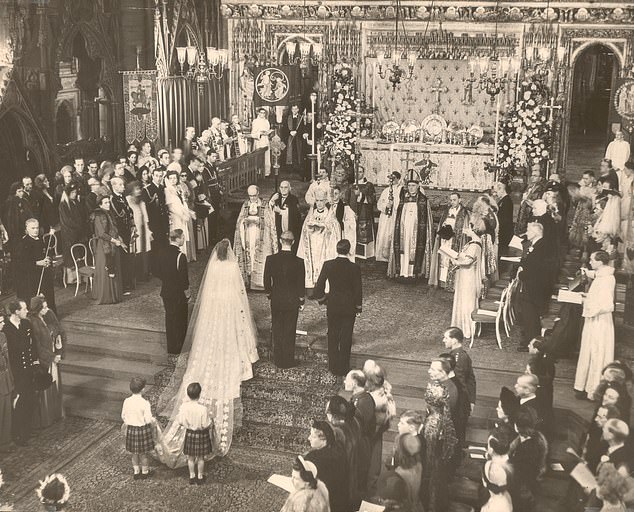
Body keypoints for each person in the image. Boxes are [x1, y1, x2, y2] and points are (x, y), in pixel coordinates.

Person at [156, 239, 259, 468]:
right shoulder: (232, 267)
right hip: (228, 304)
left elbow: (208, 291)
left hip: (214, 305)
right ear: (229, 252)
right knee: (229, 335)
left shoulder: (213, 266)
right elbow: (238, 291)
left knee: (211, 335)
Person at [313, 239, 362, 377]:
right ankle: (344, 368)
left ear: (337, 249)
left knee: (333, 335)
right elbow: (358, 290)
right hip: (349, 307)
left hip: (333, 305)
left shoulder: (328, 265)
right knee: (346, 336)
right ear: (349, 250)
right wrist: (358, 307)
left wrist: (323, 300)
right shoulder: (355, 268)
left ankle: (333, 366)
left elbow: (319, 287)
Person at [574, 250, 616, 400]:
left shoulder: (607, 279)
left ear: (600, 261)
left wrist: (587, 302)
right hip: (594, 320)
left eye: (592, 260)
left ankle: (594, 389)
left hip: (600, 321)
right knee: (589, 351)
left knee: (597, 353)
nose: (590, 262)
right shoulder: (602, 275)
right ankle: (585, 386)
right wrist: (587, 297)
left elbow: (606, 304)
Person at [264, 231, 305, 369]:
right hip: (292, 300)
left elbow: (266, 281)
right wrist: (301, 300)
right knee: (289, 329)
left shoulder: (270, 259)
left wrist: (270, 294)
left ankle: (278, 360)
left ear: (281, 241)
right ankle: (288, 361)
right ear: (293, 243)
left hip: (276, 299)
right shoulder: (299, 262)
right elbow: (301, 284)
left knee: (277, 328)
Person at [516, 222, 555, 352]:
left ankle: (531, 342)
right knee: (529, 313)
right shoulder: (538, 244)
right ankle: (529, 339)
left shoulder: (541, 246)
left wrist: (522, 274)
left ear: (536, 232)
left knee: (530, 314)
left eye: (528, 230)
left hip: (535, 286)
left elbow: (535, 268)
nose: (526, 233)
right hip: (533, 284)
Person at [421, 375, 458, 512]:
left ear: (430, 403)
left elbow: (429, 452)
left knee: (432, 491)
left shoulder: (433, 422)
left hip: (432, 465)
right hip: (440, 461)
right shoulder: (443, 415)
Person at [387, 171, 433, 279]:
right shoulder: (403, 199)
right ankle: (402, 271)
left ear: (418, 186)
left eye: (413, 186)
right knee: (403, 248)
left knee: (413, 248)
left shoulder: (423, 201)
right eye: (409, 186)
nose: (411, 188)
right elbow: (398, 216)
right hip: (404, 230)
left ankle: (413, 272)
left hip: (416, 232)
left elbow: (428, 221)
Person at [4, 300, 38, 446]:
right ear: (16, 311)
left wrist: (35, 362)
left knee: (30, 400)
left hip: (29, 370)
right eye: (24, 309)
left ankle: (27, 429)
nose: (26, 311)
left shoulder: (26, 324)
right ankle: (18, 434)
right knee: (19, 403)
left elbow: (33, 344)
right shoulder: (6, 329)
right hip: (17, 372)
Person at [28, 295, 63, 428]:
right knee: (46, 386)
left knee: (55, 384)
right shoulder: (33, 322)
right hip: (45, 360)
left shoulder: (45, 317)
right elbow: (37, 346)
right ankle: (46, 417)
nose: (47, 309)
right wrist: (51, 356)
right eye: (44, 307)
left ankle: (55, 413)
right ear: (37, 309)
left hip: (52, 355)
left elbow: (54, 329)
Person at [234, 184, 278, 290]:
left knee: (260, 256)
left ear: (258, 193)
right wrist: (244, 221)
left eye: (254, 195)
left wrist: (260, 221)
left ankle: (260, 283)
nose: (252, 198)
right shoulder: (245, 205)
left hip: (261, 235)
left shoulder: (265, 204)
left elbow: (270, 221)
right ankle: (248, 281)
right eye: (250, 196)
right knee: (250, 256)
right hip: (248, 234)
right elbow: (239, 221)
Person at [296, 190, 341, 288]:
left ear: (325, 201)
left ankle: (323, 288)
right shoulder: (311, 214)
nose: (319, 203)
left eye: (321, 200)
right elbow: (305, 229)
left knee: (323, 265)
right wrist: (309, 227)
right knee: (312, 265)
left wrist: (325, 227)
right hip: (312, 245)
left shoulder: (330, 214)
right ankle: (312, 285)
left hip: (324, 246)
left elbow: (335, 229)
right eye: (317, 200)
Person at [450, 220, 487, 340]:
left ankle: (466, 328)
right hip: (466, 275)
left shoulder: (474, 245)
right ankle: (462, 326)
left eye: (468, 227)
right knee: (464, 300)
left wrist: (455, 261)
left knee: (466, 301)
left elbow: (467, 261)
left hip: (468, 277)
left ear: (473, 229)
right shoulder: (474, 243)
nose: (465, 229)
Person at [304, 420, 349, 512]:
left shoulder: (312, 459)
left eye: (313, 436)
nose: (309, 438)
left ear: (324, 439)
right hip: (340, 503)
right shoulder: (340, 450)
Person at [157, 229, 190, 355]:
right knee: (180, 319)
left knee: (170, 318)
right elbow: (184, 279)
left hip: (166, 291)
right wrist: (187, 293)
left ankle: (171, 347)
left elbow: (158, 271)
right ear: (177, 239)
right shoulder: (180, 256)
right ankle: (180, 346)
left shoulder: (161, 253)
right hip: (178, 293)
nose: (183, 240)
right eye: (182, 238)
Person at [509, 409, 548, 512]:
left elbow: (518, 469)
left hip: (522, 489)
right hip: (530, 485)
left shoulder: (527, 447)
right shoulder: (538, 437)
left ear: (517, 426)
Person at [175, 382, 215, 484]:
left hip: (190, 434)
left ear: (188, 394)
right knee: (201, 458)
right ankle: (200, 476)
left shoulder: (184, 407)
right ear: (199, 394)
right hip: (201, 434)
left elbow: (180, 421)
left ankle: (192, 476)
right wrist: (211, 422)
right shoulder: (203, 409)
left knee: (190, 457)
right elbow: (205, 424)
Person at [443, 327, 476, 445]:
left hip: (458, 404)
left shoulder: (457, 358)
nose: (443, 340)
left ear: (455, 340)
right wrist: (472, 400)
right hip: (463, 402)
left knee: (456, 435)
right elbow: (471, 379)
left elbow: (459, 383)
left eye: (446, 338)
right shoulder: (460, 355)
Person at [429, 192, 470, 289]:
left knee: (452, 258)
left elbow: (466, 227)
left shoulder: (464, 212)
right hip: (446, 239)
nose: (452, 202)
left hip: (456, 240)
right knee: (443, 259)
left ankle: (452, 283)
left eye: (454, 200)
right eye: (451, 200)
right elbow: (442, 223)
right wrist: (443, 226)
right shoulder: (447, 210)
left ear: (459, 200)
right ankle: (442, 281)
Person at [15, 218, 56, 313]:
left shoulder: (40, 239)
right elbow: (20, 263)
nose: (36, 230)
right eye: (33, 228)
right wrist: (37, 263)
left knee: (48, 297)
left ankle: (50, 317)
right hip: (31, 277)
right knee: (36, 300)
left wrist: (48, 260)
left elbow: (47, 252)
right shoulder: (23, 243)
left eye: (37, 228)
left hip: (44, 273)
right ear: (27, 229)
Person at [374, 433, 424, 512]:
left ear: (398, 450)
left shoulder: (395, 477)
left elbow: (390, 504)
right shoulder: (418, 466)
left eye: (395, 446)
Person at [121, 377, 156, 480]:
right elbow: (148, 419)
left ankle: (136, 472)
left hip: (131, 429)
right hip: (142, 430)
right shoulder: (145, 403)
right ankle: (145, 472)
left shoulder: (126, 401)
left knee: (134, 453)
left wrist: (129, 422)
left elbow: (123, 415)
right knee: (143, 454)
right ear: (143, 389)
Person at [92, 195, 124, 305]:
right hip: (104, 246)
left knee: (114, 266)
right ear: (100, 205)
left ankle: (115, 295)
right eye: (105, 203)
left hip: (113, 244)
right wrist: (114, 241)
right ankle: (107, 297)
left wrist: (117, 238)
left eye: (108, 202)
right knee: (106, 268)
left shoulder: (109, 213)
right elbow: (101, 233)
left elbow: (114, 229)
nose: (108, 204)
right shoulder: (99, 216)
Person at [110, 177, 137, 294]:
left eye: (123, 184)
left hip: (126, 230)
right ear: (114, 186)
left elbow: (129, 212)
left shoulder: (122, 198)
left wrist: (132, 225)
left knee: (127, 258)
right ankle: (123, 285)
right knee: (122, 259)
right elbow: (119, 216)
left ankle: (128, 282)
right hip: (119, 232)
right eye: (120, 185)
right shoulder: (113, 200)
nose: (123, 187)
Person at [142, 166, 169, 274]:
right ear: (152, 176)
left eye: (160, 176)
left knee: (163, 244)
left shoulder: (162, 188)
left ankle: (162, 266)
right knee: (155, 246)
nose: (158, 178)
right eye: (156, 176)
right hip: (154, 222)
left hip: (162, 221)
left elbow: (164, 205)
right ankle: (155, 269)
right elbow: (146, 208)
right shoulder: (147, 190)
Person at [58, 182, 87, 284]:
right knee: (71, 255)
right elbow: (67, 221)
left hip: (78, 233)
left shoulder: (75, 203)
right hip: (70, 235)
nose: (75, 194)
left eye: (75, 192)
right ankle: (72, 278)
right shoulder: (63, 205)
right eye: (73, 192)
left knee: (79, 254)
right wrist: (77, 227)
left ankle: (81, 276)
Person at [165, 168, 196, 262]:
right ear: (168, 179)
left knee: (183, 234)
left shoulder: (179, 188)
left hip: (182, 214)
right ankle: (177, 257)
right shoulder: (167, 190)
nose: (173, 180)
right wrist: (181, 215)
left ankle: (184, 256)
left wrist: (187, 212)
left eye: (174, 178)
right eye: (171, 178)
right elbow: (170, 207)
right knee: (177, 236)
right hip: (175, 217)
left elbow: (182, 202)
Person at [127, 181, 152, 281]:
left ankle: (145, 273)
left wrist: (148, 228)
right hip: (135, 229)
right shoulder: (128, 200)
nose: (138, 191)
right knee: (137, 251)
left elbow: (146, 216)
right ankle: (138, 274)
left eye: (139, 189)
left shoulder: (141, 201)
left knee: (145, 251)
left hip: (144, 228)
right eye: (136, 189)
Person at [375, 171, 403, 262]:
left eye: (394, 178)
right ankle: (382, 256)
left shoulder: (401, 190)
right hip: (385, 217)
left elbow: (402, 204)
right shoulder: (386, 190)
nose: (392, 180)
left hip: (395, 217)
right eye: (390, 178)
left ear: (398, 179)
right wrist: (386, 206)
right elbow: (379, 203)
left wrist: (394, 205)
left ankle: (393, 256)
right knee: (384, 234)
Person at [269, 181, 302, 253]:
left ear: (290, 188)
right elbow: (268, 211)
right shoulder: (276, 197)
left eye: (285, 187)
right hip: (277, 228)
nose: (283, 189)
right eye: (281, 187)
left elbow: (294, 214)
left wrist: (280, 212)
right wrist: (271, 201)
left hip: (289, 229)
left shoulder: (293, 199)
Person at [349, 167, 376, 247]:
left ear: (363, 173)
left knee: (364, 232)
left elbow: (372, 199)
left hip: (364, 213)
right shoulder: (351, 186)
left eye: (360, 172)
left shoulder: (368, 185)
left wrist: (360, 195)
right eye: (356, 172)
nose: (358, 174)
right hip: (353, 213)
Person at [515, 165, 546, 236]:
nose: (533, 177)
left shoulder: (540, 188)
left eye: (535, 176)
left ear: (540, 178)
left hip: (530, 216)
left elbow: (537, 204)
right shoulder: (530, 186)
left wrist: (526, 199)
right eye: (532, 175)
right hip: (523, 214)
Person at [331, 186, 357, 261]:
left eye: (336, 193)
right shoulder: (328, 206)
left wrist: (343, 224)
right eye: (332, 194)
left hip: (340, 233)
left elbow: (351, 223)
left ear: (340, 194)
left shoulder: (345, 207)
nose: (334, 196)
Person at [0, 316, 14, 450]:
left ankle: (5, 441)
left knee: (6, 410)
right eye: (0, 322)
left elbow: (7, 358)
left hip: (5, 378)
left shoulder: (3, 336)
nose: (3, 324)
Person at [282, 104, 306, 175]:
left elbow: (303, 128)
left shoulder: (301, 118)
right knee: (290, 152)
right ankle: (290, 169)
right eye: (293, 109)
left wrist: (297, 132)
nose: (294, 110)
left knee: (298, 152)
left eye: (296, 109)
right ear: (291, 110)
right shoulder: (287, 118)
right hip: (290, 138)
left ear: (298, 110)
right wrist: (290, 132)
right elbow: (284, 129)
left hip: (298, 138)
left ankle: (298, 168)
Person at [494, 181, 514, 254]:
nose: (495, 194)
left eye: (496, 192)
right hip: (502, 231)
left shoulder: (507, 201)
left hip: (504, 233)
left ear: (501, 189)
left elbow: (504, 219)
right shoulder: (503, 200)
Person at [251, 108, 271, 176]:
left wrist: (268, 133)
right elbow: (253, 133)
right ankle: (258, 172)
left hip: (265, 140)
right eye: (261, 113)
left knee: (266, 156)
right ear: (258, 113)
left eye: (264, 113)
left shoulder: (266, 121)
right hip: (259, 140)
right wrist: (260, 133)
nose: (262, 114)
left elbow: (268, 130)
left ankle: (266, 172)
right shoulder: (255, 121)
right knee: (259, 156)